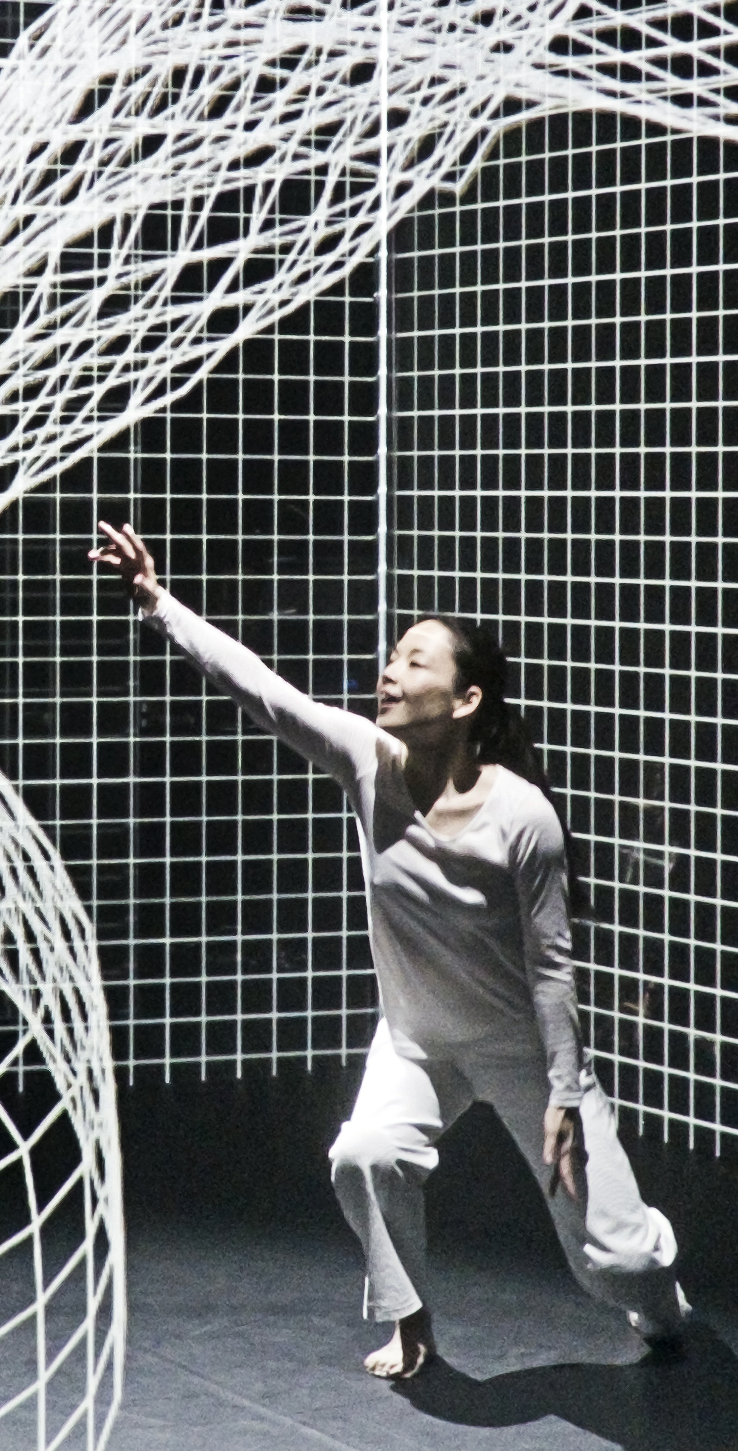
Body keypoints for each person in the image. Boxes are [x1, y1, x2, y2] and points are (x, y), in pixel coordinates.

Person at [91, 522, 685, 1382]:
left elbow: (554, 969)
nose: (390, 672)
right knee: (362, 1154)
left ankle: (662, 1298)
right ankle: (411, 1321)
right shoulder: (367, 760)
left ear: (468, 699)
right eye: (392, 656)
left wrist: (563, 1092)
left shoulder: (523, 818)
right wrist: (155, 602)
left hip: (523, 1048)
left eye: (414, 661)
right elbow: (260, 687)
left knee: (619, 1263)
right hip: (416, 1039)